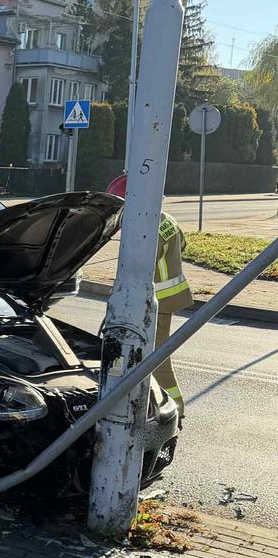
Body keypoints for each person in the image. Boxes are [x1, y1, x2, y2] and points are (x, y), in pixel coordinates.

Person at [106, 173, 192, 419]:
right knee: (147, 354)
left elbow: (140, 266)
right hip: (168, 297)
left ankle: (175, 408)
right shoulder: (168, 221)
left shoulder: (148, 230)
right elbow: (181, 246)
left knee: (157, 359)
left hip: (158, 300)